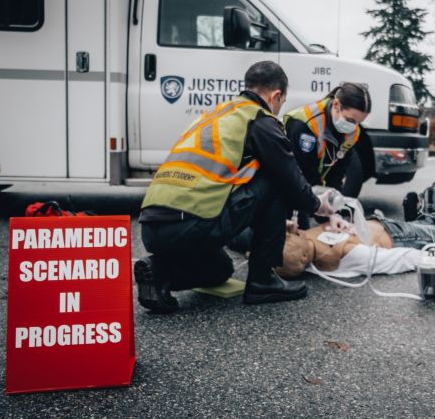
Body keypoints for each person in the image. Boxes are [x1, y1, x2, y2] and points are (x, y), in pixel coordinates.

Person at [134, 61, 339, 313]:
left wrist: (271, 224)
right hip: (192, 225)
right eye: (282, 102)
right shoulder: (260, 119)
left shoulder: (214, 115)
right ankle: (263, 280)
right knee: (276, 178)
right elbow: (290, 180)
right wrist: (319, 206)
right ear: (276, 96)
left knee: (221, 269)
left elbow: (225, 184)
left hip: (151, 227)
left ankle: (160, 273)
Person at [275, 208, 435, 278]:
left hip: (380, 224)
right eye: (292, 237)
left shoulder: (305, 243)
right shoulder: (345, 255)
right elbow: (397, 259)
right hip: (398, 237)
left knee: (425, 225)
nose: (294, 232)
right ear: (304, 258)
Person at [283, 83, 371, 197]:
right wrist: (320, 202)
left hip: (306, 186)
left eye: (358, 122)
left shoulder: (352, 133)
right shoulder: (306, 124)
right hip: (283, 186)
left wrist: (333, 198)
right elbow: (304, 173)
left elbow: (337, 173)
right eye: (350, 120)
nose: (354, 126)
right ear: (336, 105)